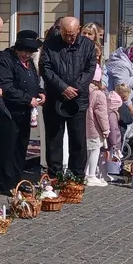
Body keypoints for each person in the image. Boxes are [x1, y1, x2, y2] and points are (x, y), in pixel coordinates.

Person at [41, 17, 96, 177]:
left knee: (78, 140)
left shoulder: (87, 45)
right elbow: (45, 68)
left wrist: (76, 88)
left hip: (78, 99)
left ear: (78, 29)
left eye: (72, 34)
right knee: (54, 140)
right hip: (55, 98)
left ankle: (76, 176)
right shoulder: (50, 44)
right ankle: (55, 176)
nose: (69, 38)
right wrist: (62, 87)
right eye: (65, 34)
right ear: (60, 30)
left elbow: (90, 69)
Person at [0, 31, 43, 193]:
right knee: (7, 149)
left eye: (30, 52)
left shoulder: (29, 63)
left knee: (21, 148)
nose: (27, 55)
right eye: (25, 51)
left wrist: (40, 92)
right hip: (9, 111)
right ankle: (7, 183)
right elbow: (7, 86)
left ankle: (17, 180)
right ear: (17, 49)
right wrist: (28, 99)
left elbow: (33, 82)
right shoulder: (6, 60)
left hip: (25, 112)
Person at [84, 67, 110, 187]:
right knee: (95, 150)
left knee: (86, 152)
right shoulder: (99, 94)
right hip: (94, 128)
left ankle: (84, 173)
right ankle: (91, 175)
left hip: (82, 127)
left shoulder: (84, 90)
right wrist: (106, 129)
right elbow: (102, 114)